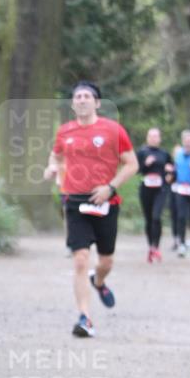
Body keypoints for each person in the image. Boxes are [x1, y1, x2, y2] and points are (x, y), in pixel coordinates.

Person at [44, 81, 138, 338]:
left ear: (97, 103)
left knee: (106, 260)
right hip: (74, 200)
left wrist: (111, 187)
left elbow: (132, 164)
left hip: (106, 201)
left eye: (87, 96)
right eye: (78, 97)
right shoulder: (65, 132)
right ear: (73, 104)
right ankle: (85, 318)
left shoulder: (113, 130)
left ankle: (99, 280)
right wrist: (51, 167)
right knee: (80, 260)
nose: (82, 100)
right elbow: (56, 155)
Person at [136, 127, 173, 262]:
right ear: (147, 138)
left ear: (160, 138)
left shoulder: (164, 154)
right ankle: (150, 246)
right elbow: (136, 169)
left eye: (156, 136)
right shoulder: (142, 152)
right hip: (145, 189)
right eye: (151, 136)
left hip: (161, 190)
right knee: (149, 218)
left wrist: (170, 173)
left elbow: (172, 171)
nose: (153, 138)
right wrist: (145, 164)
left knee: (156, 217)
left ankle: (156, 247)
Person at [173, 130, 190, 257]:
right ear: (183, 141)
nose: (188, 143)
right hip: (180, 189)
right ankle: (182, 244)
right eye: (187, 140)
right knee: (181, 217)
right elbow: (174, 171)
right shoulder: (178, 154)